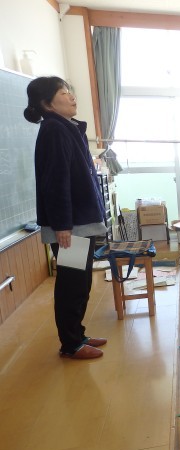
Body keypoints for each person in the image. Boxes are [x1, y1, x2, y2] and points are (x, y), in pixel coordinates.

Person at [24, 76, 107, 360]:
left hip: (79, 222)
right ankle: (71, 344)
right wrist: (62, 225)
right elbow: (55, 182)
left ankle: (78, 334)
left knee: (81, 282)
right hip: (70, 227)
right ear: (47, 104)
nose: (72, 97)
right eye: (63, 93)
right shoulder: (54, 130)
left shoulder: (67, 128)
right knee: (73, 284)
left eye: (70, 92)